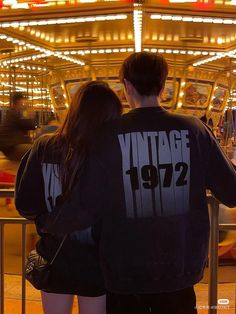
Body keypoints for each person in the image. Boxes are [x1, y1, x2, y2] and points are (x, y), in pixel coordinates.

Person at [43, 52, 236, 314]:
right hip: (178, 267)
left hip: (123, 269)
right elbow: (231, 191)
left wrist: (49, 223)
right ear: (163, 85)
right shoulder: (194, 129)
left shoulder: (106, 135)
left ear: (127, 86)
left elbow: (85, 203)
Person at [15, 81, 122, 314]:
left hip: (55, 254)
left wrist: (49, 222)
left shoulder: (44, 146)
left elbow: (25, 204)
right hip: (98, 261)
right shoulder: (110, 155)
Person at [0, 92, 37, 161]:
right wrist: (31, 115)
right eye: (23, 101)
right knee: (37, 150)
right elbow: (31, 125)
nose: (24, 104)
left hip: (9, 148)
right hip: (13, 148)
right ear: (18, 101)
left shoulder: (12, 112)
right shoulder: (16, 113)